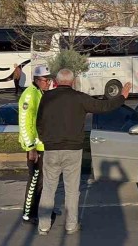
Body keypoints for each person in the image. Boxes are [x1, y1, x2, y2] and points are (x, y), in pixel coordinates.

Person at [36, 69, 131, 236]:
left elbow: (39, 122)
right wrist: (122, 96)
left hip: (51, 149)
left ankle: (43, 225)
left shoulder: (46, 97)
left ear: (56, 82)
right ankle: (71, 225)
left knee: (49, 188)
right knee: (72, 189)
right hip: (73, 149)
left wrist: (45, 139)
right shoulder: (79, 98)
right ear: (72, 82)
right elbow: (103, 106)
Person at [18, 65, 54, 226]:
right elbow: (25, 123)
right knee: (35, 181)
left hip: (42, 146)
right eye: (46, 80)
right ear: (38, 80)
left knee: (44, 182)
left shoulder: (39, 93)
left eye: (50, 80)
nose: (49, 83)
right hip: (35, 148)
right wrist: (30, 147)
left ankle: (42, 209)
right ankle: (28, 213)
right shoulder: (30, 95)